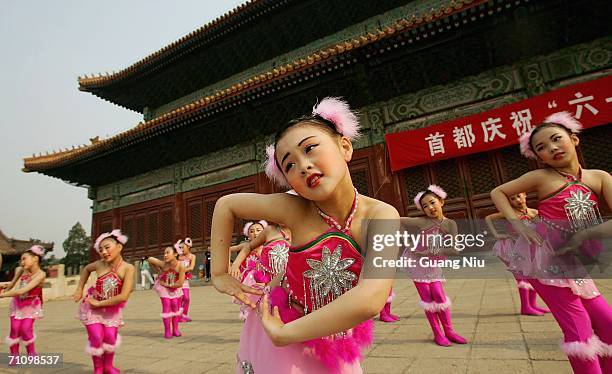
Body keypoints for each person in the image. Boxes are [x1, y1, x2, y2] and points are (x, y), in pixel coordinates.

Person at [211, 97, 399, 373]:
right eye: (289, 165)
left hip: (326, 330)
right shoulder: (294, 208)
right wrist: (219, 273)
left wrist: (285, 334)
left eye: (310, 148)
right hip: (279, 321)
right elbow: (226, 205)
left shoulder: (382, 217)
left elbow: (371, 298)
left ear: (344, 146)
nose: (303, 166)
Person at [490, 111, 612, 373]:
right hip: (546, 260)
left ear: (574, 139)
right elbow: (498, 192)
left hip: (575, 259)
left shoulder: (599, 177)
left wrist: (586, 235)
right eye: (541, 148)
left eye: (557, 139)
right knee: (579, 331)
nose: (552, 148)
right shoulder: (541, 178)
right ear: (538, 158)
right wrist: (519, 224)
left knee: (607, 323)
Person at [401, 185, 468, 346]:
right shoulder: (422, 221)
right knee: (427, 297)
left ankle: (450, 331)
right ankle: (438, 333)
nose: (430, 208)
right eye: (425, 206)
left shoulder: (450, 224)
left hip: (432, 262)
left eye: (432, 202)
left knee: (438, 294)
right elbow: (397, 221)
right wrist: (408, 241)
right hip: (416, 261)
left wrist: (432, 251)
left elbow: (454, 250)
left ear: (441, 202)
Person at [73, 229, 135, 374]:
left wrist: (100, 303)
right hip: (92, 308)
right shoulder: (99, 264)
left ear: (119, 247)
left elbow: (124, 296)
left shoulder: (128, 268)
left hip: (110, 309)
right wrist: (79, 289)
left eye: (107, 247)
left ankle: (108, 366)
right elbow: (86, 269)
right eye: (100, 249)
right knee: (96, 337)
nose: (104, 252)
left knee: (110, 337)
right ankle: (98, 368)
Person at [485, 193, 549, 316]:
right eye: (512, 199)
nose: (517, 200)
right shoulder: (509, 213)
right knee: (521, 275)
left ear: (525, 195)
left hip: (527, 248)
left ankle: (533, 305)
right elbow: (488, 218)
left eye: (519, 196)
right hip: (510, 248)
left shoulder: (534, 213)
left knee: (531, 274)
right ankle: (525, 307)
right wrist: (496, 234)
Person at [0, 245, 46, 357]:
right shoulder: (20, 270)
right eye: (21, 260)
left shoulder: (41, 274)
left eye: (24, 258)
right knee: (14, 329)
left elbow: (23, 290)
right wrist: (4, 288)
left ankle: (31, 353)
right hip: (17, 304)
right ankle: (14, 355)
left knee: (25, 329)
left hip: (31, 305)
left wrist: (3, 295)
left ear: (35, 258)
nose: (22, 262)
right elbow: (12, 285)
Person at [148, 246, 186, 339]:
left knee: (175, 306)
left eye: (168, 252)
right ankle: (167, 330)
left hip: (174, 286)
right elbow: (150, 259)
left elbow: (180, 283)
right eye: (164, 253)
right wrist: (159, 271)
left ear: (175, 254)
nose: (165, 255)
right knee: (166, 305)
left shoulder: (180, 266)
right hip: (163, 288)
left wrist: (167, 284)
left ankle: (176, 329)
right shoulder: (163, 264)